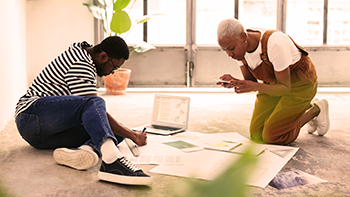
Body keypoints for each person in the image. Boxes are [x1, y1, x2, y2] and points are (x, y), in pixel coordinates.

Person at [14, 36, 152, 185]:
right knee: (97, 105)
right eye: (114, 66)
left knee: (113, 132)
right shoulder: (81, 63)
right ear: (103, 56)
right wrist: (133, 134)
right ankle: (112, 160)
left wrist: (127, 132)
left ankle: (85, 151)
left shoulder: (85, 54)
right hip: (30, 116)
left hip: (43, 137)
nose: (113, 72)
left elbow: (96, 117)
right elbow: (91, 105)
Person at [216, 18, 330, 145]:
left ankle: (316, 109)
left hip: (299, 85)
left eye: (231, 48)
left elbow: (285, 88)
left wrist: (253, 86)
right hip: (273, 85)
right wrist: (235, 82)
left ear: (244, 36)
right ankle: (300, 108)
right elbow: (251, 81)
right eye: (224, 49)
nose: (229, 54)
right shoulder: (239, 51)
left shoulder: (274, 42)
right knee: (257, 135)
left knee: (273, 136)